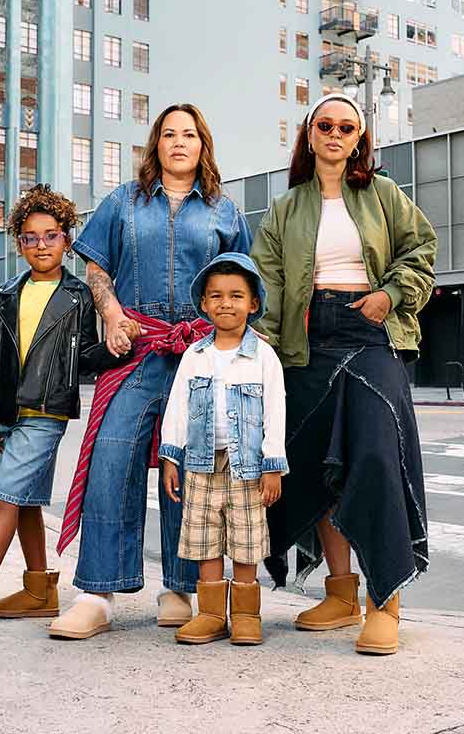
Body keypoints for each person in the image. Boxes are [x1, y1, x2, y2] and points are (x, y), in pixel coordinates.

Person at [48, 104, 252, 640]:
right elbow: (96, 266)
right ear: (155, 144)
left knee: (189, 471)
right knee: (110, 460)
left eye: (189, 134)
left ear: (202, 145)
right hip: (136, 353)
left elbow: (242, 286)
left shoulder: (225, 212)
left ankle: (181, 589)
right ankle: (96, 591)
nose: (178, 142)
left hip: (198, 355)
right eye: (169, 134)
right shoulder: (124, 202)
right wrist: (111, 313)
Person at [250, 93, 437, 655]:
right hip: (307, 344)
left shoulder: (383, 195)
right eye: (324, 125)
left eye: (346, 127)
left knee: (377, 455)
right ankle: (340, 593)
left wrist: (390, 294)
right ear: (310, 135)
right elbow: (269, 283)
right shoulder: (286, 209)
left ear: (360, 138)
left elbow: (421, 250)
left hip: (372, 331)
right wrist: (260, 345)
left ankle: (386, 602)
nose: (335, 133)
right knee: (318, 465)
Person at [0, 185, 130, 634]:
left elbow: (87, 356)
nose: (41, 245)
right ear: (19, 242)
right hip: (2, 413)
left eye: (50, 236)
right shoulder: (3, 295)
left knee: (4, 501)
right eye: (31, 237)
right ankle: (40, 591)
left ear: (66, 240)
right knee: (27, 501)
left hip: (45, 413)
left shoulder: (78, 297)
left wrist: (118, 348)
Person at [159, 253, 287, 646]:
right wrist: (170, 456)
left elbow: (275, 411)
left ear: (253, 304)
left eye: (236, 295)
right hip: (200, 465)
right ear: (203, 303)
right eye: (216, 296)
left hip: (246, 468)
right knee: (204, 539)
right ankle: (212, 614)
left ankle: (246, 614)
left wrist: (272, 465)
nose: (225, 303)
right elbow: (177, 407)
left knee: (246, 542)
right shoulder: (194, 356)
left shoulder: (264, 356)